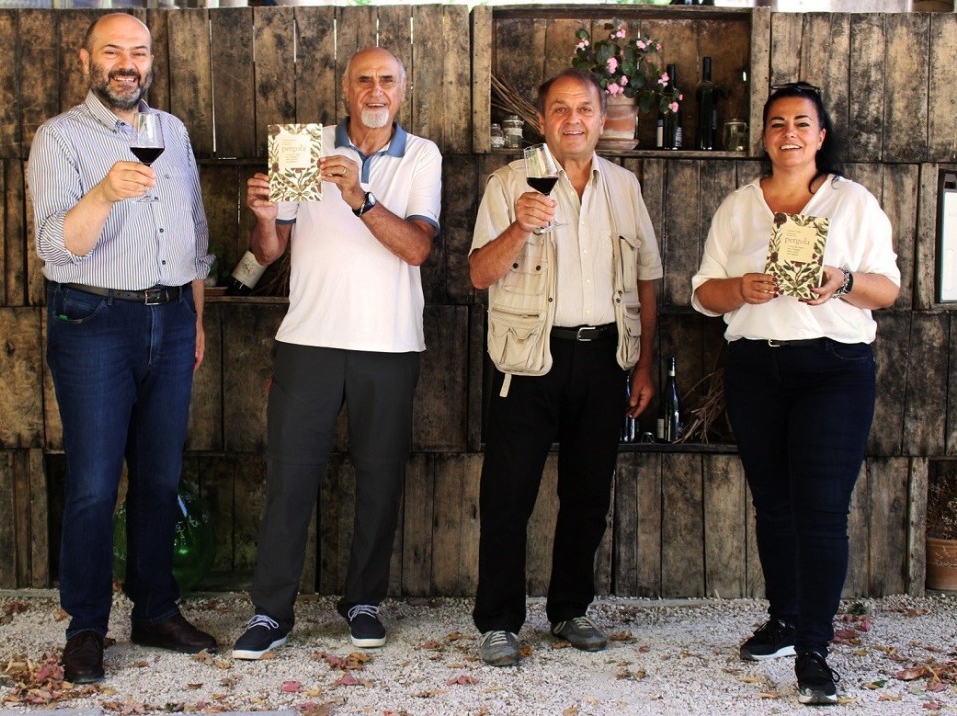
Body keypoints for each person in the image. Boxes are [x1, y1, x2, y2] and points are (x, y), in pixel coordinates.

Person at [691, 81, 900, 705]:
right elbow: (704, 294)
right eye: (778, 123)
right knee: (774, 506)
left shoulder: (852, 203)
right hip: (756, 367)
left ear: (820, 135)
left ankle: (814, 649)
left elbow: (888, 289)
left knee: (822, 510)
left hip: (834, 369)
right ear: (764, 136)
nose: (790, 134)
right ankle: (784, 620)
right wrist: (741, 288)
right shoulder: (739, 207)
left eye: (802, 123)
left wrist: (841, 280)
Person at [230, 47, 442, 658]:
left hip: (389, 343)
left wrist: (360, 197)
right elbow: (269, 251)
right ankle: (271, 612)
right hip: (309, 339)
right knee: (289, 479)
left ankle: (364, 601)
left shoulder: (421, 154)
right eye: (364, 80)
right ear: (346, 89)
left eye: (387, 81)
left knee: (380, 478)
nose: (376, 91)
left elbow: (417, 249)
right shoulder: (304, 145)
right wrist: (264, 216)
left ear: (403, 90)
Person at [27, 13, 216, 684]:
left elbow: (194, 232)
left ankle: (155, 611)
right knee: (94, 483)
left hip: (171, 317)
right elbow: (57, 246)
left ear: (151, 60)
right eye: (113, 51)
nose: (127, 63)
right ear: (88, 60)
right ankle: (86, 626)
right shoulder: (60, 137)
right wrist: (105, 193)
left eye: (138, 51)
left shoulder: (173, 132)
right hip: (94, 321)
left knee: (160, 478)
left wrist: (195, 320)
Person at [468, 68, 662, 667]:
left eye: (584, 109)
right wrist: (520, 225)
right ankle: (498, 622)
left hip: (604, 357)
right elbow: (479, 274)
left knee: (588, 495)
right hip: (528, 358)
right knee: (508, 496)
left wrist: (644, 364)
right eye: (559, 109)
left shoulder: (624, 187)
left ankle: (570, 609)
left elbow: (647, 279)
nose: (572, 119)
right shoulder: (509, 183)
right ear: (541, 120)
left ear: (601, 120)